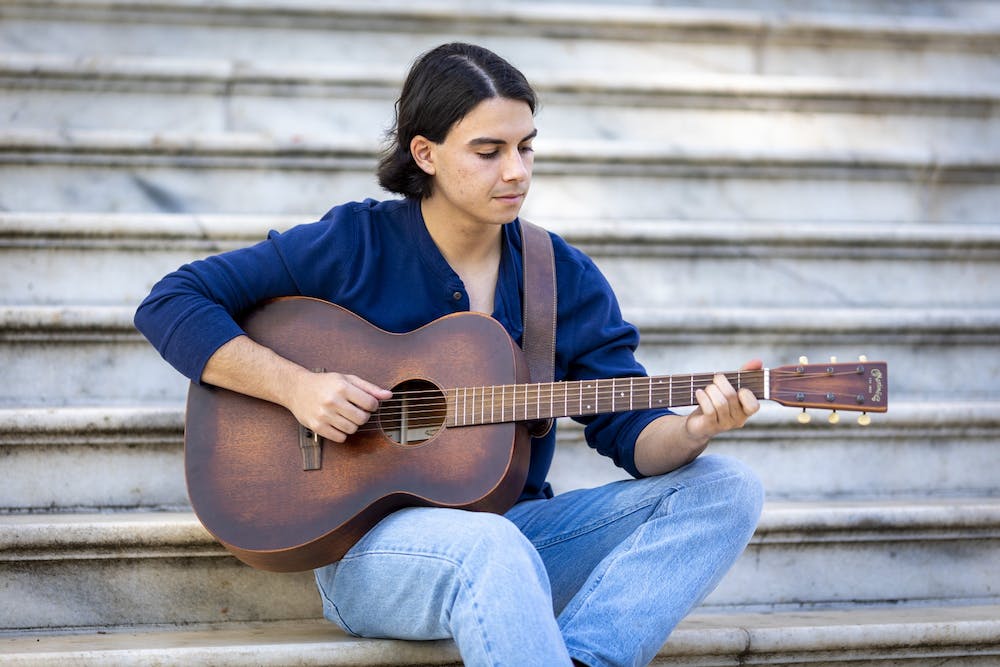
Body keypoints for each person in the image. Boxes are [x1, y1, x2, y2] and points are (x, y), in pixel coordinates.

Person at [135, 42, 764, 667]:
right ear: (425, 153)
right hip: (372, 555)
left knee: (726, 486)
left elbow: (631, 433)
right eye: (488, 152)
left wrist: (692, 428)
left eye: (526, 147)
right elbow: (171, 302)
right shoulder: (357, 242)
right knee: (487, 545)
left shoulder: (557, 275)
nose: (516, 171)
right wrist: (296, 387)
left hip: (518, 536)